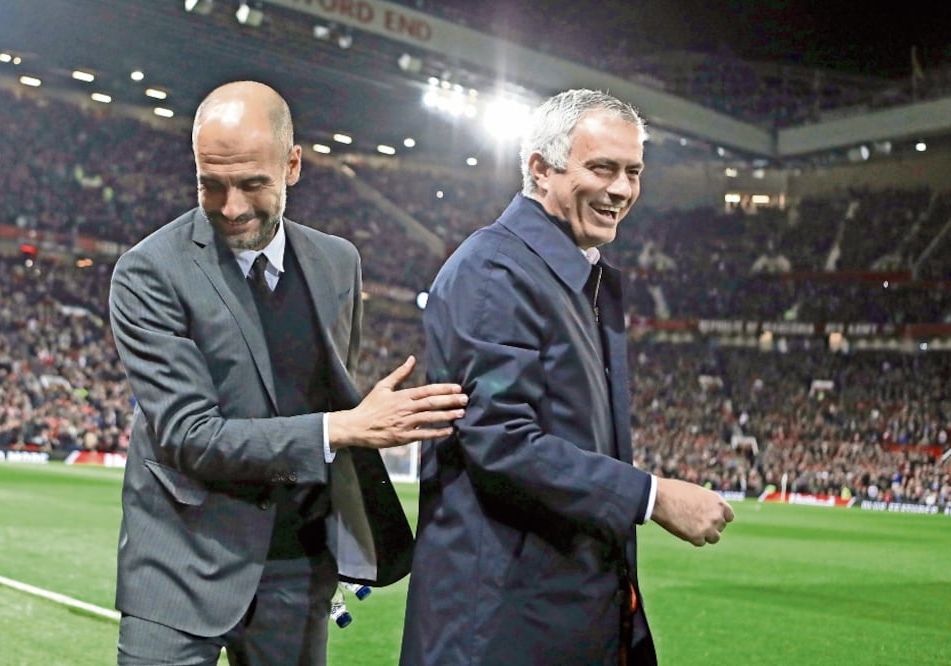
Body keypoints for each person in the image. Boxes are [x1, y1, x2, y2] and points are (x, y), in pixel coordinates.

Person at [108, 80, 468, 666]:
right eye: (211, 184)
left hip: (297, 572)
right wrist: (342, 429)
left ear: (293, 164)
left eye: (253, 183)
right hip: (179, 563)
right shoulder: (148, 273)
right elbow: (187, 435)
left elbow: (326, 380)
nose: (231, 207)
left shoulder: (337, 262)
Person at [400, 89, 735, 665]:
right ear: (540, 169)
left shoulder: (576, 274)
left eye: (633, 171)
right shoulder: (497, 270)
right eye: (601, 168)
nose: (622, 189)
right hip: (502, 623)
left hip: (557, 610)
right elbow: (499, 439)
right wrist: (652, 496)